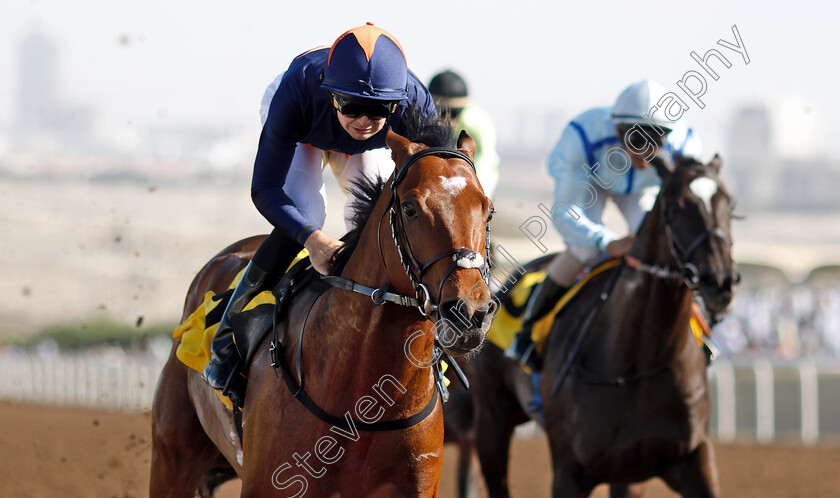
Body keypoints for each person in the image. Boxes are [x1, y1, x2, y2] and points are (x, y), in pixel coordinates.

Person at [202, 23, 437, 404]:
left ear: (398, 102)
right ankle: (227, 336)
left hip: (358, 142)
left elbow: (439, 182)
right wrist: (313, 240)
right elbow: (264, 190)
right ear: (332, 96)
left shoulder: (414, 103)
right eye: (353, 107)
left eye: (379, 110)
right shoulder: (295, 92)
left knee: (377, 215)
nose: (365, 121)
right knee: (308, 210)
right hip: (304, 129)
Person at [505, 80, 702, 370]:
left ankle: (698, 328)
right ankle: (527, 333)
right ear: (618, 131)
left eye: (656, 145)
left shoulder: (687, 146)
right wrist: (606, 242)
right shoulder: (582, 136)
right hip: (591, 184)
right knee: (584, 252)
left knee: (663, 249)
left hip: (641, 192)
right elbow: (565, 212)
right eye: (637, 143)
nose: (646, 158)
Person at [428, 70, 500, 198]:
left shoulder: (478, 123)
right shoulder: (422, 118)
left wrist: (477, 195)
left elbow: (486, 162)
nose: (447, 119)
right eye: (442, 112)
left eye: (454, 113)